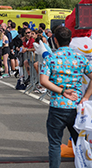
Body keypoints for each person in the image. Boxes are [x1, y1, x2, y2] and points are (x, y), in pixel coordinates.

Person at [38, 26, 92, 168]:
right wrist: (86, 96)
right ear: (71, 40)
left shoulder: (51, 58)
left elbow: (43, 80)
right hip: (76, 106)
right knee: (79, 142)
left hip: (58, 106)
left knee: (55, 143)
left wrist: (62, 91)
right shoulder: (80, 58)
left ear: (55, 40)